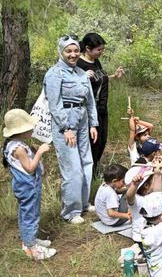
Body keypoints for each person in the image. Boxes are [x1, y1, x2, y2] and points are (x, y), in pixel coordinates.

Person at [44, 35, 99, 224]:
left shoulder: (81, 73)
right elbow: (54, 104)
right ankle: (71, 211)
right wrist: (65, 127)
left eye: (76, 50)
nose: (73, 54)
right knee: (72, 168)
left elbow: (90, 100)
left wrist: (93, 124)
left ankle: (84, 203)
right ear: (61, 51)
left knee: (86, 162)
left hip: (82, 120)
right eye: (69, 51)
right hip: (65, 123)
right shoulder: (54, 73)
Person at [2, 109, 56, 260]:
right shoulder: (19, 149)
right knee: (31, 216)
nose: (33, 129)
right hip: (29, 187)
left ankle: (28, 241)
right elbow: (30, 168)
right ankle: (33, 249)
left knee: (26, 214)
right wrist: (40, 153)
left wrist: (32, 150)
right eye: (30, 127)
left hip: (23, 187)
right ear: (22, 131)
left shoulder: (13, 144)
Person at [77, 33, 124, 173]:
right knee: (93, 142)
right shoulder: (79, 65)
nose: (101, 52)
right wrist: (81, 79)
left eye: (103, 49)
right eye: (99, 50)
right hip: (91, 110)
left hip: (102, 108)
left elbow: (99, 79)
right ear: (87, 48)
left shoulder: (95, 61)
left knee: (102, 140)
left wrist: (114, 77)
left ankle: (95, 166)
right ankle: (88, 171)